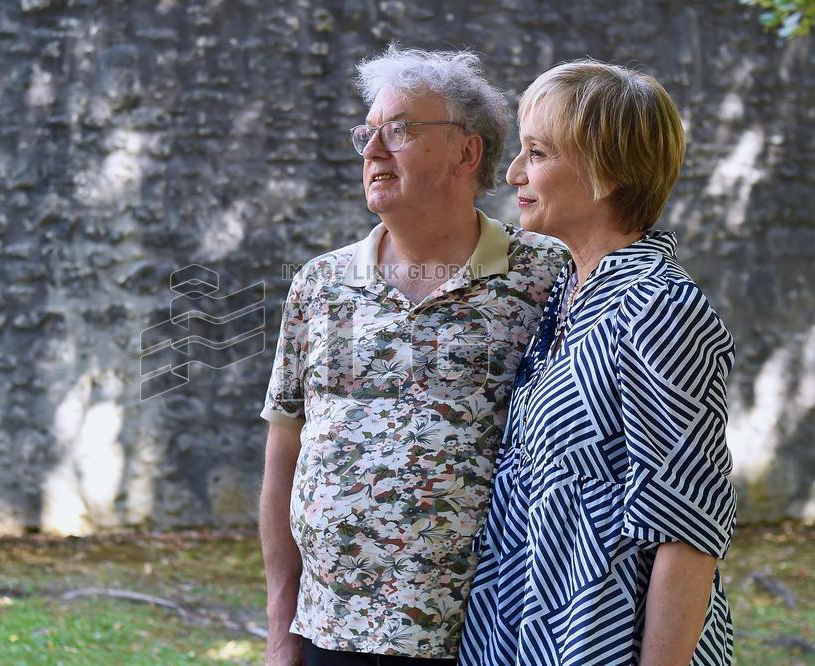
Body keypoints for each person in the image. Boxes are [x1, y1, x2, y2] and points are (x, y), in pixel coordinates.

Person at [259, 45, 565, 665]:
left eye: (396, 131)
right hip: (333, 630)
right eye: (366, 134)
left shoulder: (547, 276)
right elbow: (284, 457)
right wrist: (281, 626)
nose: (372, 151)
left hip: (487, 634)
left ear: (466, 151)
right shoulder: (320, 284)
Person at [457, 60, 737, 666]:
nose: (513, 173)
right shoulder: (562, 294)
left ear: (607, 172)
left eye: (537, 153)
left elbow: (687, 530)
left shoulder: (661, 309)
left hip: (602, 646)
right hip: (519, 635)